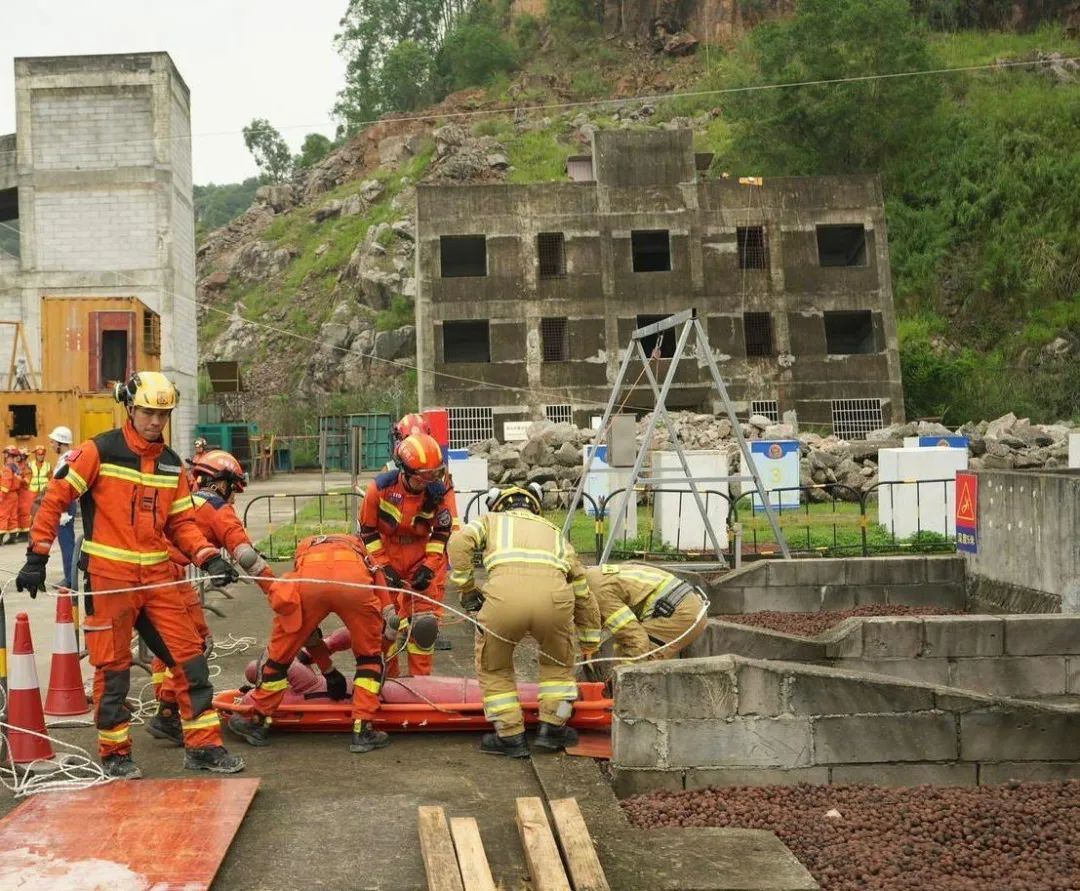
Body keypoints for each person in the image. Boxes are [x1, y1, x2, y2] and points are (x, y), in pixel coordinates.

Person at [16, 371, 245, 779]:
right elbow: (55, 499)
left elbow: (182, 524)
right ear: (130, 407)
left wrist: (209, 556)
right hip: (109, 578)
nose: (155, 422)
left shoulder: (173, 465)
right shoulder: (98, 451)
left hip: (158, 579)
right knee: (114, 670)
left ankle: (203, 747)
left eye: (162, 414)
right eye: (146, 412)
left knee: (191, 661)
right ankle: (115, 753)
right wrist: (37, 555)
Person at [447, 483, 593, 758]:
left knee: (495, 667)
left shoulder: (491, 520)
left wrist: (467, 589)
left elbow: (458, 542)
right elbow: (581, 586)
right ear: (535, 506)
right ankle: (552, 730)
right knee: (558, 665)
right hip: (555, 602)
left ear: (497, 504)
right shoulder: (554, 532)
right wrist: (589, 636)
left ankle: (510, 736)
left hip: (504, 601)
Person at [147, 449, 278, 745]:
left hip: (153, 572)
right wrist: (278, 593)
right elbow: (245, 556)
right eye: (234, 489)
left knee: (165, 645)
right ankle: (168, 713)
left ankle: (165, 703)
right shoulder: (217, 508)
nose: (234, 497)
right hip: (168, 577)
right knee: (194, 644)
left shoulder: (183, 502)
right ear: (221, 483)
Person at [228, 534, 391, 754]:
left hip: (310, 585)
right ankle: (363, 728)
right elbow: (379, 581)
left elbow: (304, 629)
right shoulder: (359, 548)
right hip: (354, 585)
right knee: (369, 659)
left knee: (278, 659)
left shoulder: (306, 547)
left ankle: (258, 721)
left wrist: (328, 669)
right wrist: (388, 618)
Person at [359, 433, 454, 677]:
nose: (429, 481)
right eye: (424, 476)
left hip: (419, 557)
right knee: (385, 625)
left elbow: (442, 532)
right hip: (385, 555)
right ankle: (387, 678)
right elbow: (368, 532)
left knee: (424, 626)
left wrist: (430, 567)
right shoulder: (379, 489)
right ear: (406, 470)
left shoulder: (436, 492)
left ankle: (421, 682)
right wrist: (383, 567)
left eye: (435, 474)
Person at [583, 563, 708, 663]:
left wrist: (620, 678)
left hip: (680, 612)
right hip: (686, 604)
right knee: (626, 651)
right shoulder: (592, 576)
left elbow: (636, 640)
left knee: (634, 658)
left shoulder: (595, 592)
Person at [47, 426, 77, 588]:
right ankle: (69, 577)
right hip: (64, 505)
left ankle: (70, 580)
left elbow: (66, 486)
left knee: (67, 545)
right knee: (66, 543)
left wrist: (64, 510)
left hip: (65, 505)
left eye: (53, 442)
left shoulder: (67, 461)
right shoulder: (65, 458)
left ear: (60, 443)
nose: (51, 445)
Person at [0, 445, 23, 544]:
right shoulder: (16, 468)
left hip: (7, 495)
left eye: (6, 455)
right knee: (13, 516)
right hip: (14, 495)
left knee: (3, 516)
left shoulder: (7, 469)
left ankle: (0, 538)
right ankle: (13, 538)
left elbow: (5, 484)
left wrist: (1, 496)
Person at [16, 449, 34, 541]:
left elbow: (27, 481)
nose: (16, 457)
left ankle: (25, 533)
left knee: (25, 514)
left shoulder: (27, 468)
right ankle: (20, 531)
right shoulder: (17, 467)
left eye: (18, 455)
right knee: (19, 513)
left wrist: (18, 478)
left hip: (25, 494)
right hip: (19, 494)